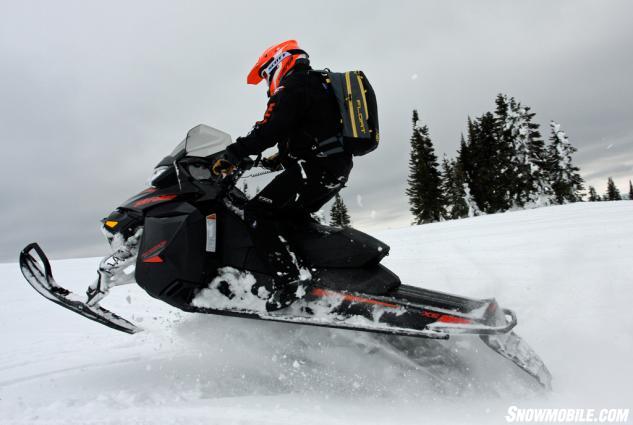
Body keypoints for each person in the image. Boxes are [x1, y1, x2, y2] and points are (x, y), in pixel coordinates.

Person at [212, 40, 353, 311]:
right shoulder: (314, 84)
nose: (267, 82)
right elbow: (309, 128)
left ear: (279, 62)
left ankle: (289, 280)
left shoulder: (294, 85)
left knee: (257, 212)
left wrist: (232, 154)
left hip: (313, 169)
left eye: (266, 74)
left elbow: (270, 127)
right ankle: (315, 273)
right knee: (289, 218)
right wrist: (281, 156)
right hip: (330, 167)